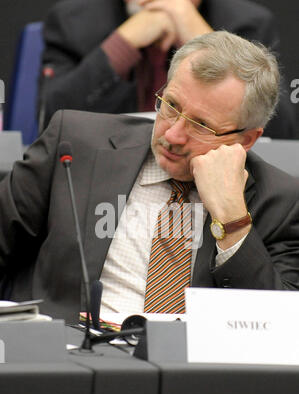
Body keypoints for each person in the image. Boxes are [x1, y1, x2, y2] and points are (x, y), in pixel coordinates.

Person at [1, 31, 299, 324]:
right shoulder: (74, 143)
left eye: (201, 125)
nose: (172, 134)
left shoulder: (280, 201)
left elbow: (279, 327)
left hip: (190, 368)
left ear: (246, 140)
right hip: (70, 354)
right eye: (171, 106)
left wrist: (233, 220)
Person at [38, 0, 296, 139]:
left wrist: (207, 40)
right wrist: (121, 45)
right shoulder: (74, 18)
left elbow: (281, 131)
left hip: (206, 165)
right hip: (106, 167)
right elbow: (50, 119)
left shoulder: (247, 22)